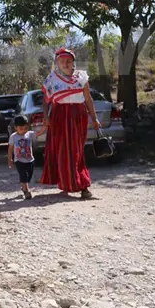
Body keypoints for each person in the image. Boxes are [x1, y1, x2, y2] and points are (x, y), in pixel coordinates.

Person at [40, 48, 102, 199]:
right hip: (59, 116)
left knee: (76, 151)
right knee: (63, 151)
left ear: (73, 62)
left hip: (78, 115)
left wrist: (94, 118)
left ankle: (81, 184)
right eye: (62, 61)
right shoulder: (52, 78)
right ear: (57, 63)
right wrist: (46, 117)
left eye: (68, 61)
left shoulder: (81, 77)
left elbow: (88, 99)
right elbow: (46, 101)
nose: (65, 64)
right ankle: (72, 184)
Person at [8, 115, 44, 200]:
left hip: (30, 160)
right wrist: (10, 159)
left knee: (29, 176)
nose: (23, 130)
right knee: (23, 175)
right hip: (19, 160)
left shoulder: (29, 134)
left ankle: (23, 186)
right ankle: (27, 191)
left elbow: (39, 133)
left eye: (25, 128)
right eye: (21, 128)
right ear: (16, 128)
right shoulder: (13, 136)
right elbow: (10, 148)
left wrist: (44, 127)